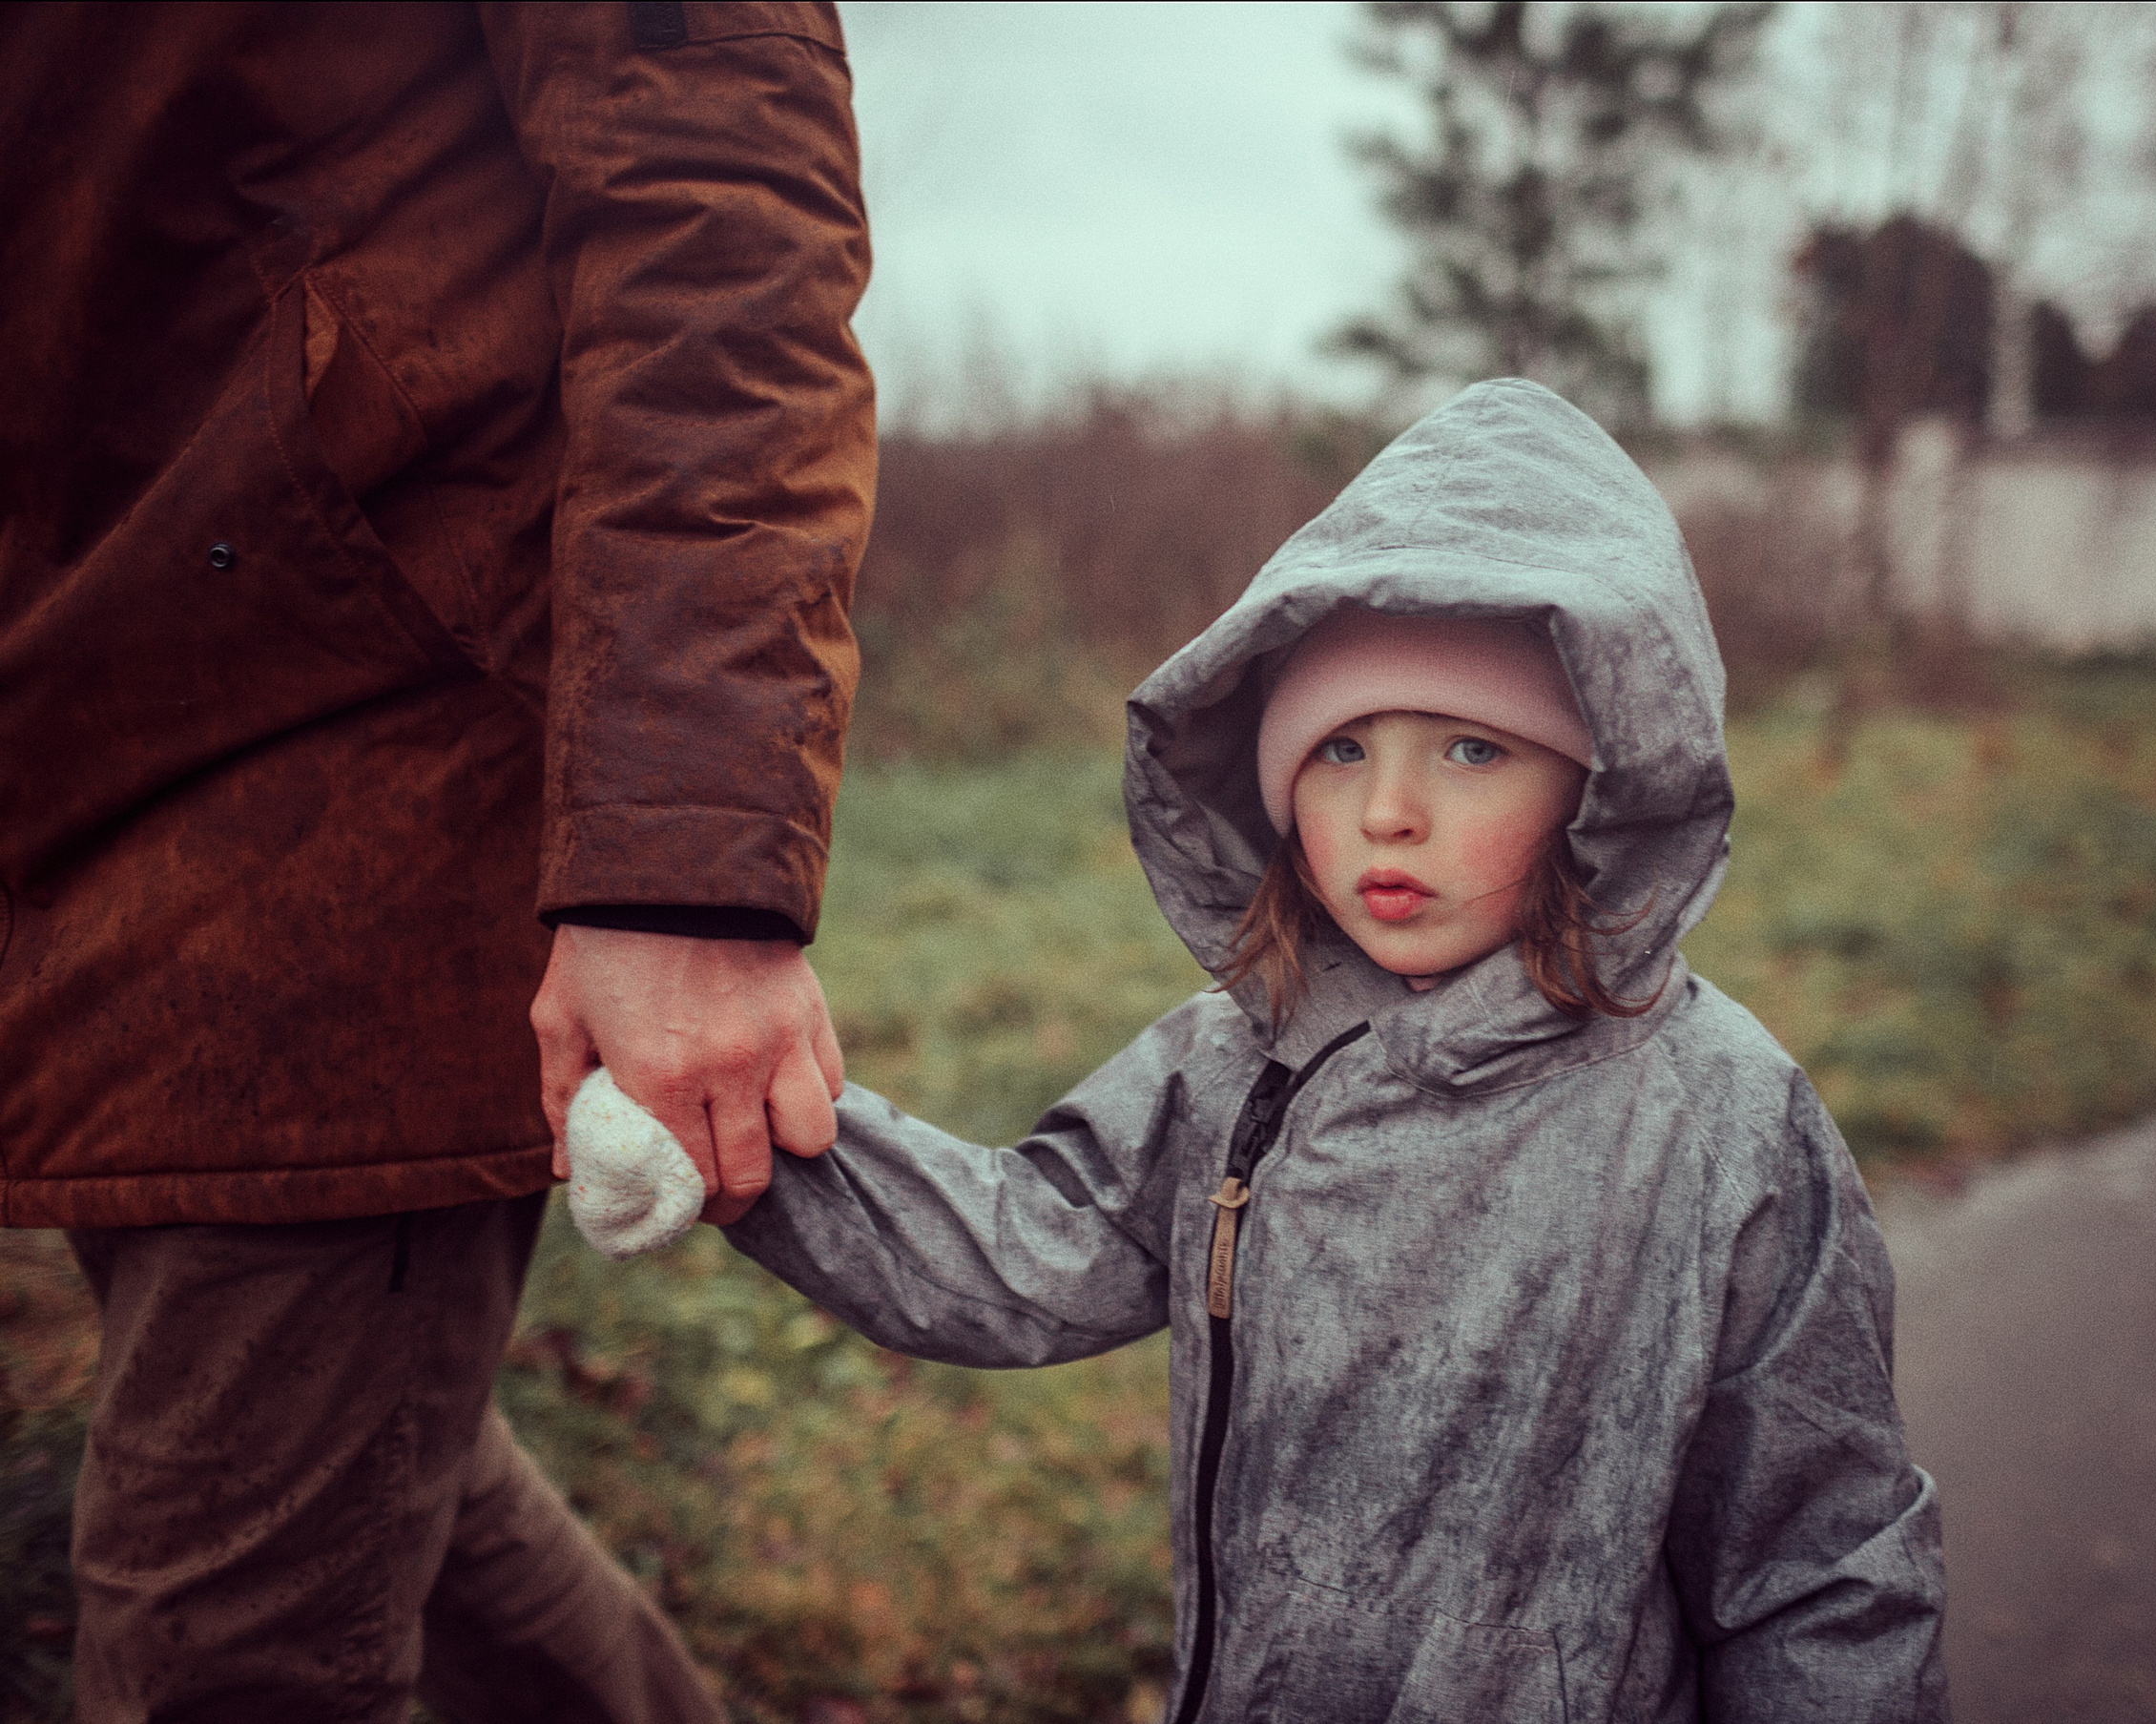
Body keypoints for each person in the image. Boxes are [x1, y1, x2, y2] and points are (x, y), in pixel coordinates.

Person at [718, 379, 1949, 1720]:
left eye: (1473, 750)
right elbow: (1027, 1253)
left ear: (1599, 783)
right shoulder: (1239, 1060)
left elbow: (1821, 1571)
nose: (1390, 814)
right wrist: (739, 1127)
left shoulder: (1717, 1116)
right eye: (1343, 749)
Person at [0, 4, 871, 1717]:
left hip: (366, 749)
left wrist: (678, 871)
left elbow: (716, 211)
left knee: (222, 1640)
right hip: (84, 719)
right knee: (379, 1469)